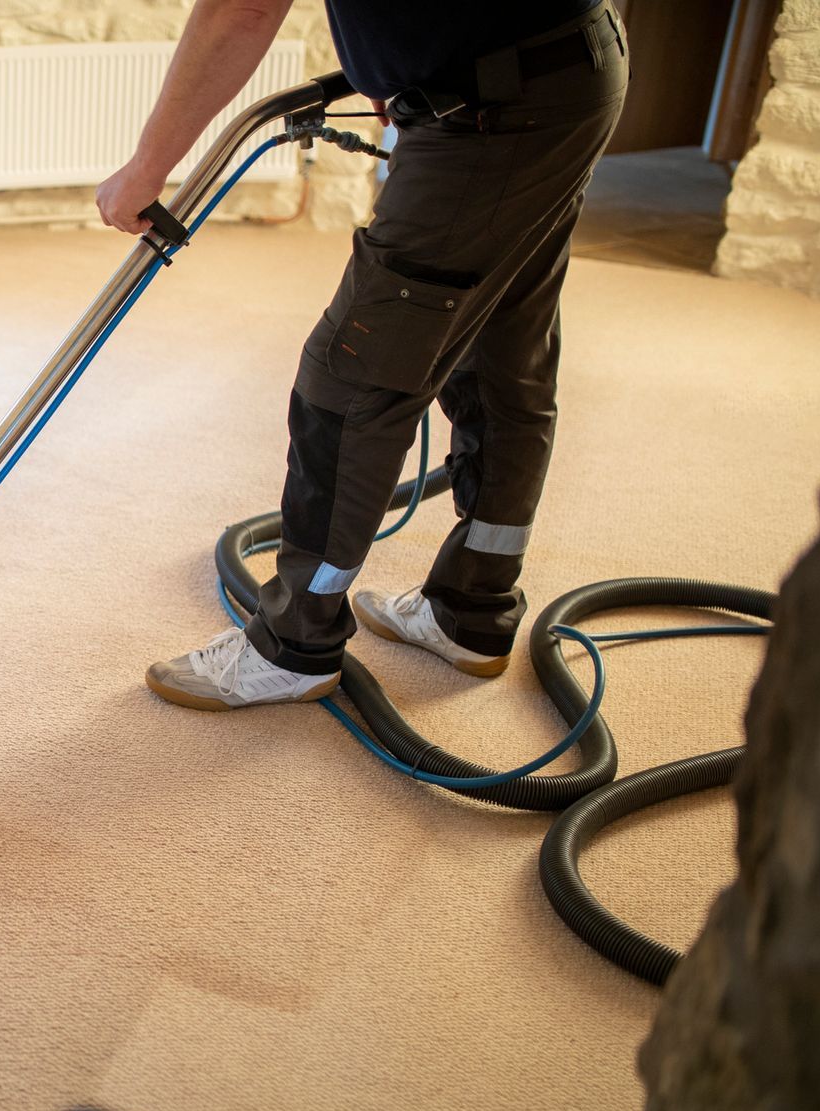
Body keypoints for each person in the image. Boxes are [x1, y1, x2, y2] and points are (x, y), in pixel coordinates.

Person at [96, 0, 628, 710]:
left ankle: (294, 645)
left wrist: (148, 164)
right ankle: (472, 610)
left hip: (494, 109)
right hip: (560, 70)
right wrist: (394, 61)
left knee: (352, 374)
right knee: (500, 347)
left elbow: (242, 8)